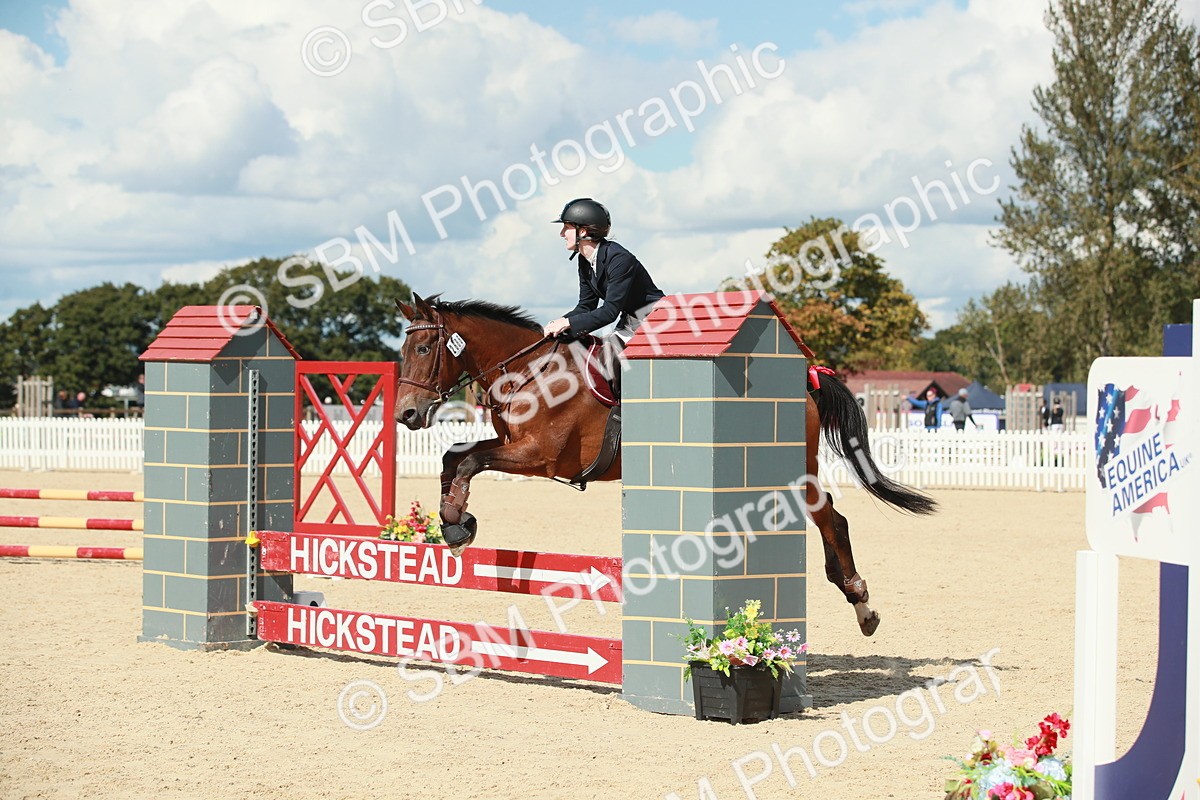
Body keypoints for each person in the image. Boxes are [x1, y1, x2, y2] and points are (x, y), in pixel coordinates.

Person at [542, 198, 665, 345]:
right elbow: (586, 305)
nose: (562, 234)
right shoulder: (584, 260)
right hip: (630, 324)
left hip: (656, 324)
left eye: (566, 227)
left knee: (611, 360)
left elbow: (609, 312)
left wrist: (569, 323)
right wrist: (561, 322)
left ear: (582, 231)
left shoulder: (619, 259)